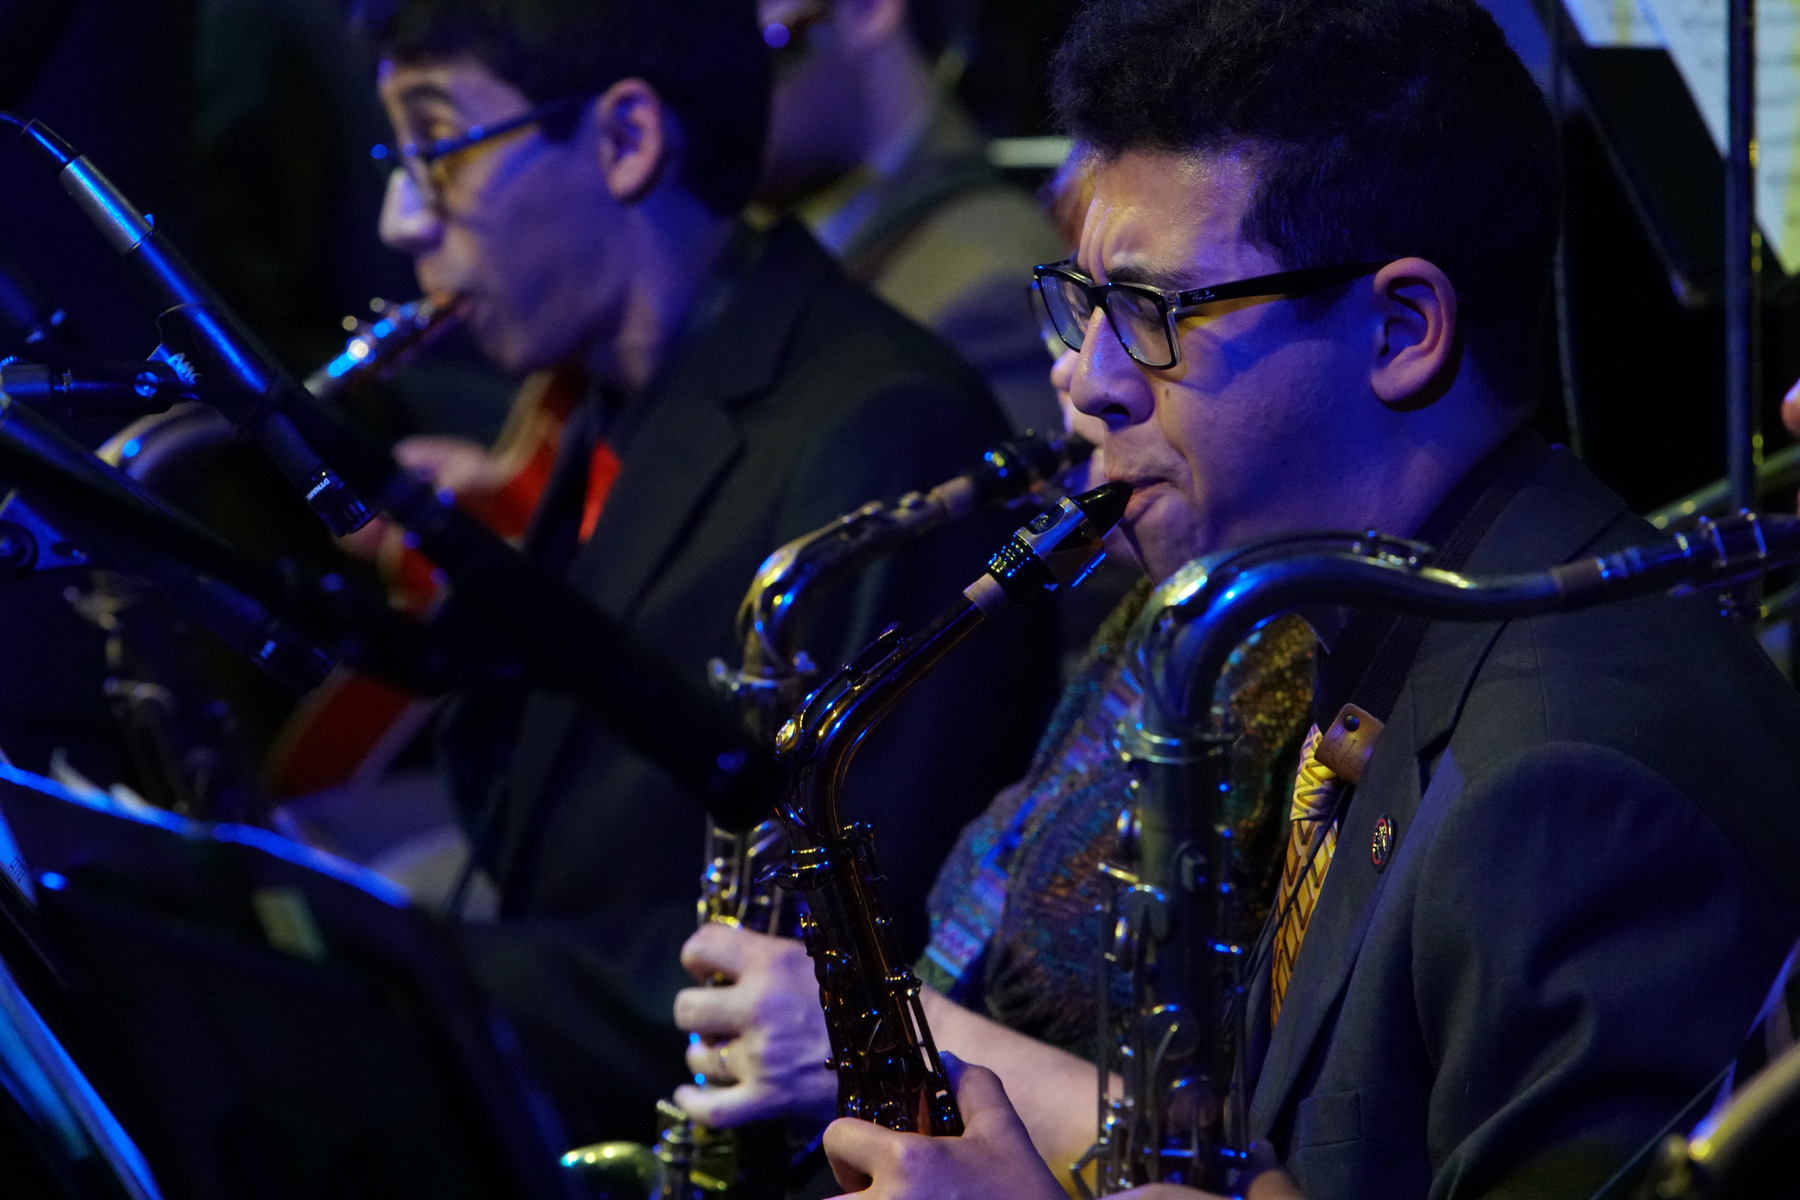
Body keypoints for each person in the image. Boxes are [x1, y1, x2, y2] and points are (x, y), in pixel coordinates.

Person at [674, 2, 1800, 1198]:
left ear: (1403, 328)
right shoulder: (1361, 639)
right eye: (1083, 304)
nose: (1087, 387)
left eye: (1151, 315)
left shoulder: (1574, 781)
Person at [354, 0, 1055, 1147]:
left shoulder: (887, 430)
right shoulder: (621, 390)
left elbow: (837, 953)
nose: (400, 220)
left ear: (626, 139)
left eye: (436, 148)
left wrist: (409, 984)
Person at [754, 0, 1066, 434]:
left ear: (867, 9)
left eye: (762, 48)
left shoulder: (988, 292)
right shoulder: (790, 230)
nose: (721, 97)